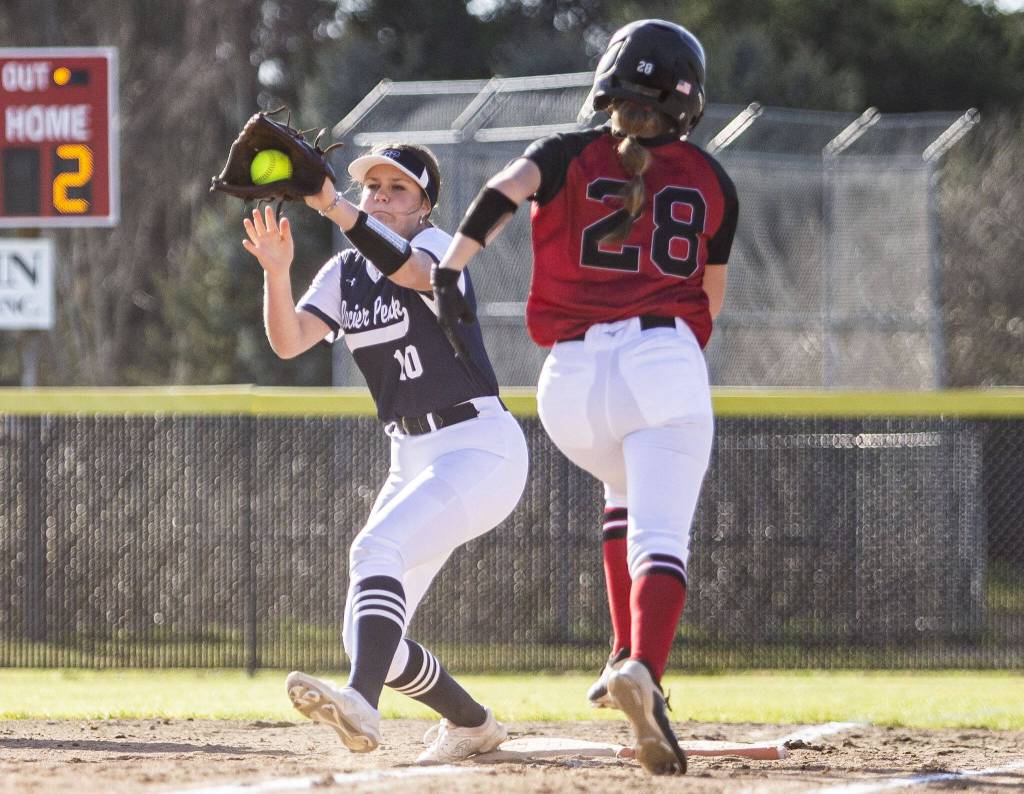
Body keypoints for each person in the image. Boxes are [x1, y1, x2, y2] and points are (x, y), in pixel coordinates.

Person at [431, 19, 737, 776]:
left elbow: (502, 195)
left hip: (566, 385)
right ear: (685, 102)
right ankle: (644, 669)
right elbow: (710, 300)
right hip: (660, 356)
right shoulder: (710, 177)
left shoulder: (565, 153)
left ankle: (619, 651)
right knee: (662, 535)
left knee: (620, 493)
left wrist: (451, 267)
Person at [241, 142, 529, 763]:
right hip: (411, 454)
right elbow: (290, 342)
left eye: (396, 189)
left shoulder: (438, 249)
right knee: (371, 635)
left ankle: (360, 704)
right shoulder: (343, 272)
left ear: (426, 206)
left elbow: (409, 274)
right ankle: (473, 724)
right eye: (371, 186)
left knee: (375, 549)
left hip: (480, 448)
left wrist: (335, 206)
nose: (378, 196)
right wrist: (275, 271)